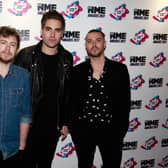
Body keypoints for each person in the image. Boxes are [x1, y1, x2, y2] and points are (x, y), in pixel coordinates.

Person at [14, 10, 73, 168]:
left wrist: (65, 122)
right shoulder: (26, 55)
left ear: (62, 34)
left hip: (51, 128)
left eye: (57, 30)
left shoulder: (67, 58)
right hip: (27, 127)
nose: (52, 35)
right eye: (48, 29)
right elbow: (14, 90)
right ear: (41, 31)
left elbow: (67, 93)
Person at [68, 29, 131, 168]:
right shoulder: (76, 71)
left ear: (105, 44)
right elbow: (71, 102)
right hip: (83, 131)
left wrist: (120, 130)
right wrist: (74, 129)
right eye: (89, 41)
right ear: (85, 46)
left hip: (111, 130)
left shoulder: (120, 70)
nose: (94, 45)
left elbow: (125, 103)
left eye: (98, 40)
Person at [0, 26, 32, 168]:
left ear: (17, 50)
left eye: (12, 45)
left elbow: (25, 114)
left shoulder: (23, 75)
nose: (7, 49)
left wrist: (22, 147)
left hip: (12, 150)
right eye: (3, 43)